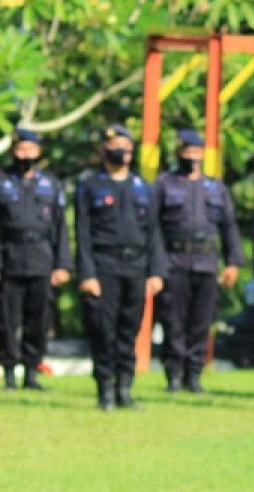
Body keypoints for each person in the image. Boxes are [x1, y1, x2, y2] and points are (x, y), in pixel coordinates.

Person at [75, 124, 166, 410]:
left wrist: (156, 270)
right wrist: (87, 273)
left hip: (136, 266)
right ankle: (105, 388)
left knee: (130, 329)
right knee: (103, 329)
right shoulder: (90, 186)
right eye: (116, 146)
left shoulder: (143, 187)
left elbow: (153, 233)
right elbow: (82, 234)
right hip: (104, 265)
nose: (123, 152)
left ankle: (125, 388)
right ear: (104, 150)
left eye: (127, 147)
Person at [152, 128, 244, 393]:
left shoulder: (216, 187)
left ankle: (193, 374)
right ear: (178, 153)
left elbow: (229, 227)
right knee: (173, 320)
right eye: (187, 151)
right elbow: (153, 229)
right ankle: (173, 373)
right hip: (174, 260)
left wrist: (233, 262)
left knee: (201, 321)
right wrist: (157, 266)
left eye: (196, 151)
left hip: (206, 262)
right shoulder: (164, 184)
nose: (192, 156)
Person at [0, 128, 71, 391]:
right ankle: (8, 372)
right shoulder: (3, 180)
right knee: (7, 320)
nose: (24, 155)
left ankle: (31, 372)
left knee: (38, 320)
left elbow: (61, 228)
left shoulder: (50, 184)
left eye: (29, 150)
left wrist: (62, 264)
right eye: (20, 150)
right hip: (10, 259)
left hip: (41, 259)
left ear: (38, 152)